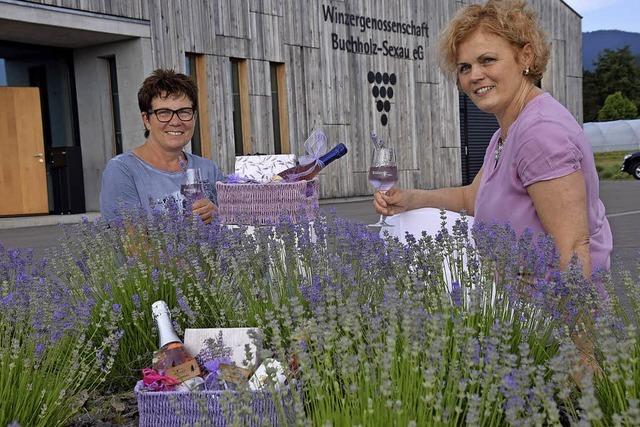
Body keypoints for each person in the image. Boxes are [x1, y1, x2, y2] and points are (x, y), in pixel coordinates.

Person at [374, 0, 612, 276]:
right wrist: (411, 198)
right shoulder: (507, 132)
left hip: (544, 311)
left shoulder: (541, 133)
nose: (475, 75)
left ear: (525, 57)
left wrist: (570, 318)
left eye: (487, 60)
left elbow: (572, 251)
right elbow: (471, 198)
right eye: (464, 67)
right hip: (514, 304)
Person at [100, 69, 225, 223]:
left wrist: (218, 214)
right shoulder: (122, 170)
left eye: (184, 112)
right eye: (164, 112)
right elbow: (131, 243)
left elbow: (239, 226)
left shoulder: (209, 169)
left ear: (194, 117)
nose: (175, 121)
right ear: (146, 119)